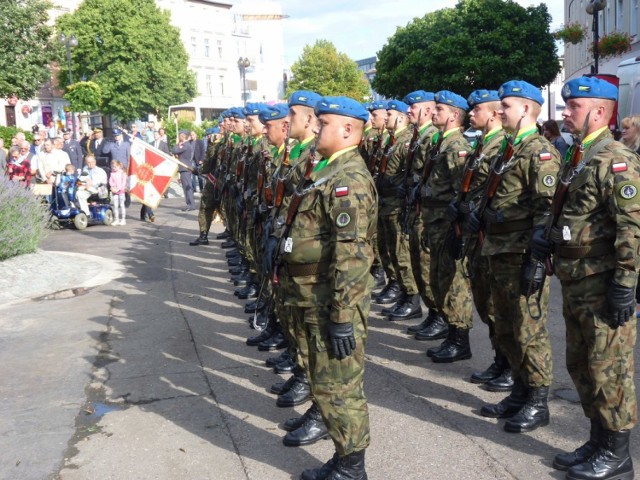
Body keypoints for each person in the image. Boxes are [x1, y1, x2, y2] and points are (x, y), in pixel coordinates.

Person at [531, 76, 638, 480]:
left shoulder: (615, 158)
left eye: (573, 107)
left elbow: (632, 226)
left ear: (598, 111)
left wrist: (625, 283)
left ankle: (618, 454)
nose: (564, 113)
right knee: (582, 364)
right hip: (576, 277)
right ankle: (597, 440)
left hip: (601, 279)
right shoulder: (578, 155)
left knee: (609, 368)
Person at [281, 96, 376, 480]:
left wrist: (342, 317)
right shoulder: (326, 169)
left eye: (323, 125)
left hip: (332, 302)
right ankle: (343, 457)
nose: (316, 130)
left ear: (348, 130)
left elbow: (352, 257)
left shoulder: (348, 180)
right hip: (313, 293)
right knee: (326, 382)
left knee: (340, 388)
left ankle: (352, 468)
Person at [474, 80, 561, 433]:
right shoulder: (508, 149)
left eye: (505, 106)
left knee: (529, 331)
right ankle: (520, 392)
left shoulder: (539, 151)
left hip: (522, 254)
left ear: (525, 108)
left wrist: (537, 261)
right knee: (507, 328)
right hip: (499, 251)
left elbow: (547, 209)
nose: (499, 112)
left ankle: (538, 401)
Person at [173, 131, 195, 211]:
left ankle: (191, 204)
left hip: (185, 168)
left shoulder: (185, 145)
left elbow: (175, 151)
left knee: (187, 187)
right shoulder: (186, 145)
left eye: (180, 136)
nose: (179, 138)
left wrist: (177, 144)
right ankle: (189, 203)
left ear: (183, 136)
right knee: (186, 187)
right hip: (184, 168)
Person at [109, 160, 127, 225]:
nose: (114, 168)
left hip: (121, 191)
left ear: (119, 166)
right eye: (113, 167)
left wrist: (118, 189)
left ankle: (123, 219)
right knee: (115, 205)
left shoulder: (122, 173)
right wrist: (112, 187)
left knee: (122, 205)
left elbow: (123, 183)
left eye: (115, 167)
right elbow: (110, 181)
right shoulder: (112, 173)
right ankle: (116, 219)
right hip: (115, 192)